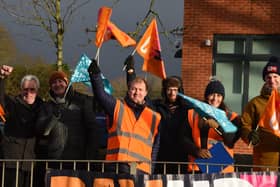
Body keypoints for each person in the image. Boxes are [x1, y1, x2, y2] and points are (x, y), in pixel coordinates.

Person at [124, 55, 197, 174]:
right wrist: (131, 72)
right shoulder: (157, 106)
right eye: (169, 89)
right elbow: (139, 96)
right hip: (160, 157)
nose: (172, 93)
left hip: (182, 159)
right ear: (165, 91)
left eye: (175, 89)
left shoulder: (188, 109)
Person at [88, 58, 161, 175]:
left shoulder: (154, 117)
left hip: (142, 170)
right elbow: (100, 95)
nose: (137, 92)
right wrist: (95, 75)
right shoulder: (117, 107)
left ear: (146, 93)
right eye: (133, 89)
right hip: (116, 166)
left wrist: (151, 170)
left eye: (140, 90)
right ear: (128, 91)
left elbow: (155, 146)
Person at [41, 70, 99, 168]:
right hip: (55, 160)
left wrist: (90, 157)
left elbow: (92, 130)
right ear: (50, 87)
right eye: (54, 83)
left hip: (78, 160)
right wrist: (52, 119)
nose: (57, 84)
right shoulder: (47, 106)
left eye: (60, 81)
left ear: (67, 83)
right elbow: (40, 130)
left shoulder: (82, 101)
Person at [0, 65, 44, 187]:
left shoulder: (43, 107)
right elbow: (1, 96)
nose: (28, 92)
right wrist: (2, 78)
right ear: (20, 90)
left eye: (32, 89)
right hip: (11, 162)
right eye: (25, 89)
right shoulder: (12, 103)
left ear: (37, 91)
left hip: (32, 163)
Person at [187, 78, 241, 173]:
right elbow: (182, 138)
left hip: (222, 169)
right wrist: (196, 151)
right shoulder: (193, 114)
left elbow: (230, 141)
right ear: (206, 96)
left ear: (223, 98)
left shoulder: (231, 117)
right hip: (197, 168)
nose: (215, 99)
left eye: (219, 95)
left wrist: (218, 127)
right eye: (212, 94)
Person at [241, 56, 280, 171]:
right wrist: (249, 135)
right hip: (265, 162)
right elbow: (245, 125)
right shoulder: (255, 103)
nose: (272, 80)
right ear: (264, 80)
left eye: (275, 76)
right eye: (268, 77)